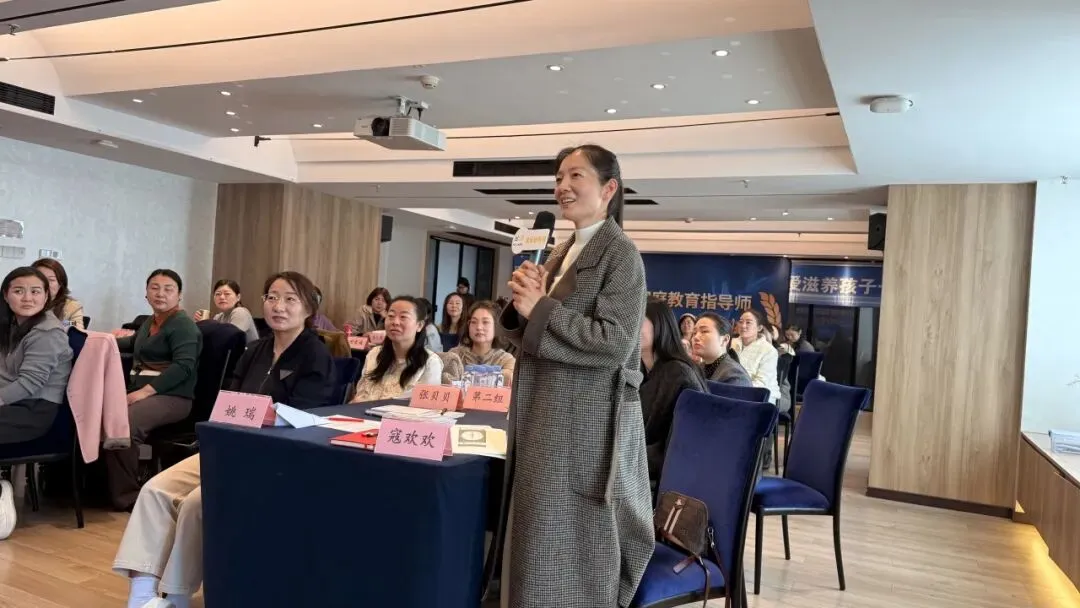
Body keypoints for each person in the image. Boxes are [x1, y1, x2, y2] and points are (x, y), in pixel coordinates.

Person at [492, 144, 653, 607]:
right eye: (558, 178)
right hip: (547, 414)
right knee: (537, 540)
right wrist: (520, 308)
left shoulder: (621, 255)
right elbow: (536, 333)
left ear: (608, 188)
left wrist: (540, 308)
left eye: (575, 176)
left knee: (566, 548)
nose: (562, 186)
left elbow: (614, 342)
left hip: (582, 426)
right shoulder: (561, 250)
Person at [113, 271, 334, 608]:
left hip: (276, 458)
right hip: (230, 448)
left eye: (290, 299)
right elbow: (228, 400)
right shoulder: (256, 349)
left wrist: (257, 417)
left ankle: (176, 594)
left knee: (196, 503)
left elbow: (305, 419)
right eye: (272, 297)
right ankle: (142, 593)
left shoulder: (315, 355)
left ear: (308, 308)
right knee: (155, 490)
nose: (279, 306)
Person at [106, 269, 202, 511]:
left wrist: (145, 392)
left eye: (168, 289)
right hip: (144, 393)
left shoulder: (183, 325)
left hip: (173, 397)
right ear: (146, 293)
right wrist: (101, 339)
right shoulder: (150, 322)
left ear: (179, 295)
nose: (160, 294)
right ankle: (100, 490)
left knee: (125, 424)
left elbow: (183, 366)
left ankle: (129, 497)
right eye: (154, 288)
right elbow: (133, 343)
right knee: (101, 412)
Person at [0, 267, 74, 539]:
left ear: (46, 296)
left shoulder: (47, 332)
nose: (27, 298)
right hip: (13, 405)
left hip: (34, 411)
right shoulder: (11, 325)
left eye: (35, 291)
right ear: (6, 295)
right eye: (19, 291)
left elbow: (29, 383)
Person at [639, 298, 705, 484]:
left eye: (638, 319)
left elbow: (684, 441)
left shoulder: (678, 373)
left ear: (660, 325)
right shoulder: (641, 369)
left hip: (670, 469)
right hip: (643, 461)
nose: (629, 325)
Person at [350, 296, 442, 402]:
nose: (395, 322)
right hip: (361, 411)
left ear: (419, 325)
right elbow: (360, 395)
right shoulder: (374, 354)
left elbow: (426, 406)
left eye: (403, 317)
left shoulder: (430, 362)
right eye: (391, 316)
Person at [449, 300, 516, 386]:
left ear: (497, 327)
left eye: (485, 322)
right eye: (474, 322)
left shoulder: (506, 360)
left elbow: (510, 380)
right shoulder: (454, 355)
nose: (479, 327)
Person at [692, 313, 752, 386]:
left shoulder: (735, 376)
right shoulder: (699, 368)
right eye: (694, 333)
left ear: (725, 340)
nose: (696, 337)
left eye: (704, 331)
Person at [193, 279, 259, 343]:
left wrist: (206, 326)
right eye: (218, 294)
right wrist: (201, 324)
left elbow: (228, 339)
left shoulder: (240, 312)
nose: (221, 297)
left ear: (238, 297)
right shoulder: (218, 317)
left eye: (227, 294)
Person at [31, 258, 85, 330]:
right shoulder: (24, 301)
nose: (45, 283)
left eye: (51, 280)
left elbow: (75, 324)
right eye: (40, 278)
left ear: (60, 284)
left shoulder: (71, 306)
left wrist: (60, 323)